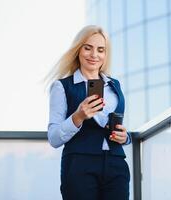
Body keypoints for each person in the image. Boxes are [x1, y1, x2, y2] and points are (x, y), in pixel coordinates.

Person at [46, 25, 131, 200]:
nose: (94, 55)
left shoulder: (115, 85)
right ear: (78, 50)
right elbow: (54, 138)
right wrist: (78, 116)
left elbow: (119, 127)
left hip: (116, 165)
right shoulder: (62, 87)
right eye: (88, 48)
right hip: (79, 165)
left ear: (106, 55)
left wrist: (126, 137)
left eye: (101, 50)